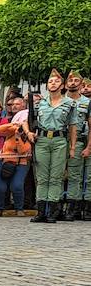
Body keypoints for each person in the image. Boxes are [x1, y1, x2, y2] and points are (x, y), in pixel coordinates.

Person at [30, 68, 75, 223]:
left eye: (56, 81)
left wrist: (73, 147)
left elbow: (73, 126)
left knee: (56, 177)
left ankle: (52, 212)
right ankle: (41, 211)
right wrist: (29, 132)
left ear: (62, 85)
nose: (53, 83)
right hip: (42, 140)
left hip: (60, 140)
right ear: (47, 85)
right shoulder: (40, 103)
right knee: (42, 177)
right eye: (50, 81)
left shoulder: (69, 103)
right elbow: (27, 121)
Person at [0, 102, 31, 215]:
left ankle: (19, 208)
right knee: (0, 186)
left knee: (17, 186)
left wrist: (19, 138)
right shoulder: (11, 132)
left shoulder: (30, 135)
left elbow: (23, 150)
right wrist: (14, 125)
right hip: (1, 160)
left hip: (20, 162)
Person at [65, 72, 89, 220]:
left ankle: (72, 208)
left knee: (75, 175)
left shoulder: (87, 102)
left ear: (81, 84)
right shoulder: (59, 100)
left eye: (76, 80)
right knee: (58, 175)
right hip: (61, 139)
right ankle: (57, 205)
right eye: (70, 80)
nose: (73, 83)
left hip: (80, 140)